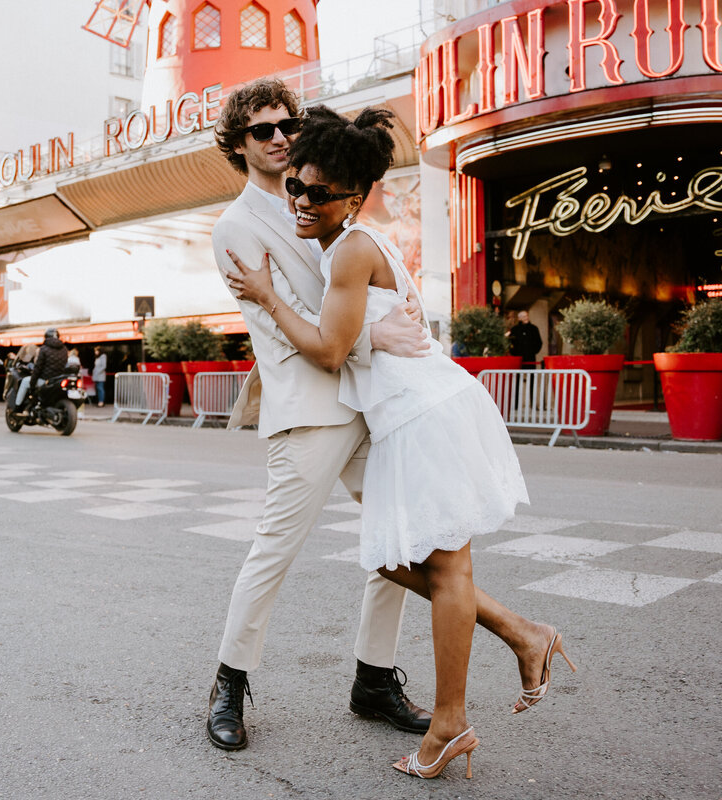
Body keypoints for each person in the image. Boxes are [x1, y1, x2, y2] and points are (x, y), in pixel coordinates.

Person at [226, 105, 574, 780]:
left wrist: (268, 296)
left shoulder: (352, 250)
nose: (300, 200)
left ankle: (448, 726)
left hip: (422, 419)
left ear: (351, 198)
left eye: (316, 193)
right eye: (295, 185)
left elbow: (329, 351)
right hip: (422, 412)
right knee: (394, 560)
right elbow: (359, 339)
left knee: (443, 572)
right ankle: (521, 635)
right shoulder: (357, 245)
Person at [205, 78, 434, 753]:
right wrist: (368, 337)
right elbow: (278, 327)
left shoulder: (325, 191)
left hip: (371, 397)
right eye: (262, 131)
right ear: (238, 146)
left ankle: (373, 679)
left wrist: (390, 334)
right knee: (274, 550)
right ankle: (228, 682)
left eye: (287, 124)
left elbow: (362, 285)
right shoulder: (235, 226)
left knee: (400, 537)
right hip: (308, 404)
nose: (279, 137)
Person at [15, 328, 67, 410]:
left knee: (25, 382)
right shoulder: (64, 349)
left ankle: (17, 406)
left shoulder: (44, 349)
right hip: (58, 380)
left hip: (45, 380)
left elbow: (38, 368)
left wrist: (32, 384)